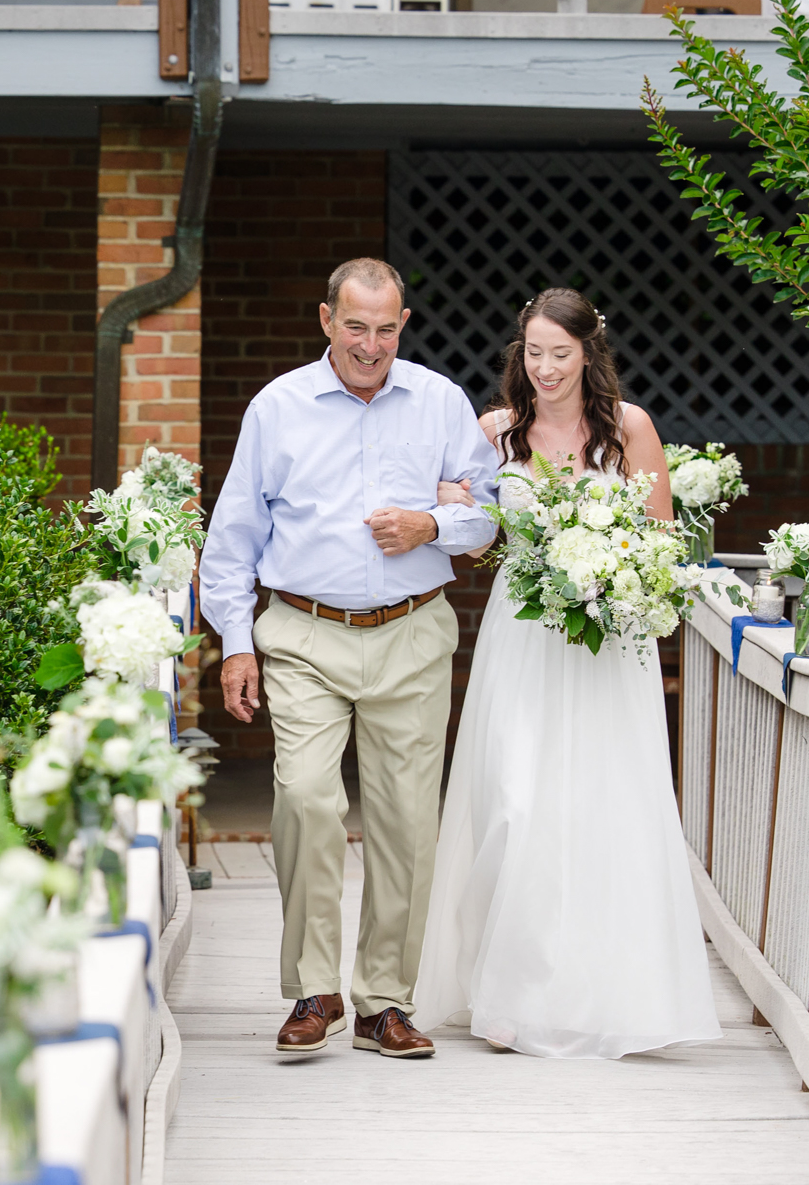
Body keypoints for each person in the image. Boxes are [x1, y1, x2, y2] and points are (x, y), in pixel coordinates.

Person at [199, 257, 499, 1059]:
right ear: (327, 319)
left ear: (405, 324)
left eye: (387, 328)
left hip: (411, 631)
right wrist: (234, 645)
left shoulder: (439, 402)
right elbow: (232, 539)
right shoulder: (278, 407)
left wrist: (432, 524)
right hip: (304, 634)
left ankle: (383, 1004)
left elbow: (491, 512)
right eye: (357, 326)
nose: (372, 344)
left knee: (406, 821)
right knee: (305, 799)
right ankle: (314, 988)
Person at [413, 287, 722, 1059]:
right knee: (515, 806)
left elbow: (662, 550)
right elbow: (469, 543)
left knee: (599, 810)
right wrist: (455, 504)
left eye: (561, 353)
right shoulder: (493, 435)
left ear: (589, 353)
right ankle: (512, 992)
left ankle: (606, 992)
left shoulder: (629, 432)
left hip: (608, 653)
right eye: (533, 353)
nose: (546, 368)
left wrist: (614, 584)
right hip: (521, 644)